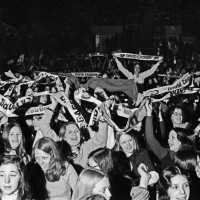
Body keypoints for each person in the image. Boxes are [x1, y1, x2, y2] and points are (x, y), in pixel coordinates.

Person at [36, 96, 108, 169]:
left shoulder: (86, 147)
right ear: (63, 136)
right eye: (69, 132)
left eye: (76, 131)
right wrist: (53, 104)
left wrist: (103, 120)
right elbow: (43, 125)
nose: (74, 134)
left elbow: (101, 140)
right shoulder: (58, 145)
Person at [145, 100, 193, 169]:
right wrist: (149, 113)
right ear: (171, 116)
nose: (169, 141)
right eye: (176, 114)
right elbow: (150, 138)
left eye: (180, 114)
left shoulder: (190, 155)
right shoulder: (165, 154)